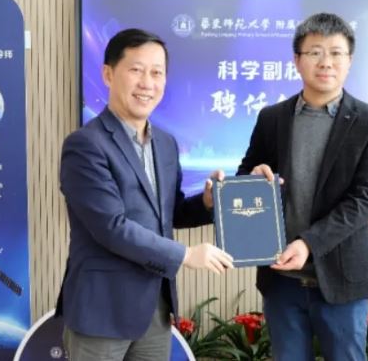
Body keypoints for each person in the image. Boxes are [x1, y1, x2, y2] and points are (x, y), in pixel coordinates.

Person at [55, 28, 234, 361]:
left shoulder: (165, 143)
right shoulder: (85, 145)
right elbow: (111, 227)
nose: (147, 83)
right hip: (102, 311)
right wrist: (185, 255)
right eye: (136, 70)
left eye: (157, 72)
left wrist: (207, 202)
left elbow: (169, 213)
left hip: (155, 307)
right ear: (108, 74)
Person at [237, 13, 368, 361]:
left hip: (342, 279)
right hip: (281, 279)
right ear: (297, 60)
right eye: (315, 52)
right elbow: (246, 173)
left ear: (349, 61)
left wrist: (308, 243)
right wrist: (253, 177)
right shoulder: (272, 118)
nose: (326, 62)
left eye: (336, 53)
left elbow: (366, 199)